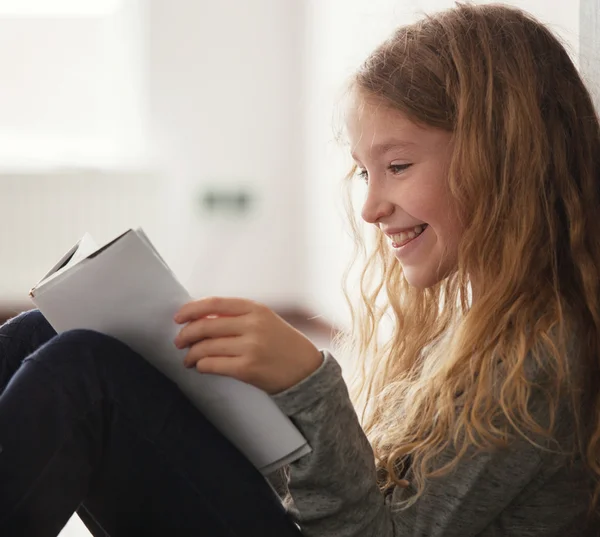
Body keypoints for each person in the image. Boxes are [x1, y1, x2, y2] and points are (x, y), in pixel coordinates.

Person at [2, 3, 600, 536]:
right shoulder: (484, 327)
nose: (370, 207)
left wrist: (310, 384)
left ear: (503, 158)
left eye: (396, 165)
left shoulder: (542, 355)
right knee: (44, 332)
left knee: (83, 370)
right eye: (366, 173)